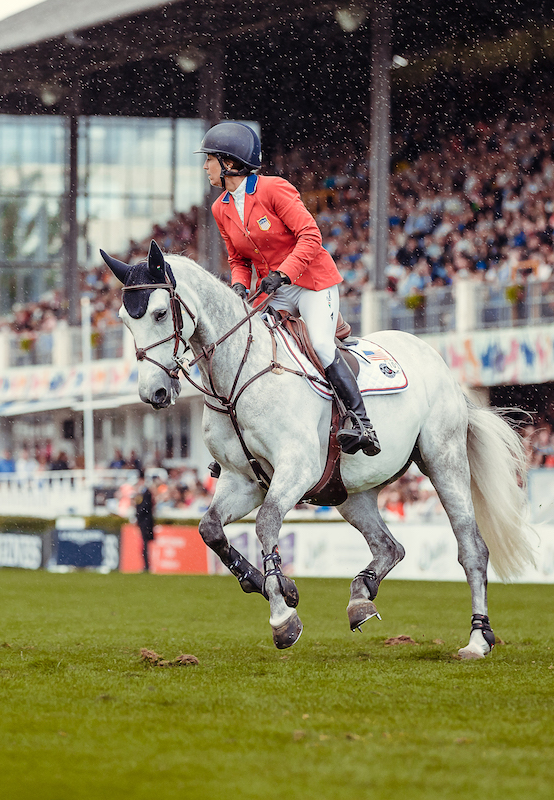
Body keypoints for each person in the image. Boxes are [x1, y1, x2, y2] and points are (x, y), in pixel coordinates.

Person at [196, 122, 380, 456]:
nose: (205, 166)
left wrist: (283, 274)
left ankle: (361, 422)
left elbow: (311, 236)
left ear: (230, 163)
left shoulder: (274, 189)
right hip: (272, 290)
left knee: (322, 345)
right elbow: (238, 258)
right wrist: (239, 286)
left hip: (311, 282)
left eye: (209, 159)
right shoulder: (220, 207)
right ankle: (240, 439)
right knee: (248, 348)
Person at [134, 476, 155, 573]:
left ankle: (147, 566)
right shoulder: (143, 493)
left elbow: (144, 507)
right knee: (144, 544)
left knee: (145, 544)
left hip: (145, 522)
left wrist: (138, 516)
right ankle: (146, 565)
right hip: (144, 521)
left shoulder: (146, 493)